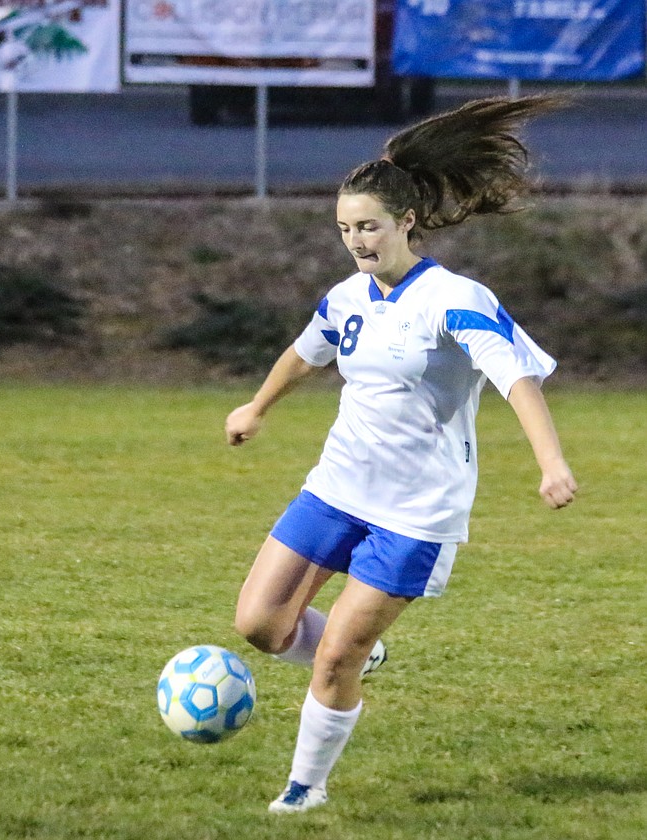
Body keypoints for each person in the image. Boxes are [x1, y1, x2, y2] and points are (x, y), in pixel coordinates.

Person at [224, 95, 578, 814]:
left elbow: (515, 376)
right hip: (336, 487)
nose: (357, 241)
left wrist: (551, 462)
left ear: (406, 221)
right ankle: (361, 654)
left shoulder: (455, 299)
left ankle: (303, 790)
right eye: (346, 229)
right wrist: (257, 406)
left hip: (416, 513)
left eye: (369, 227)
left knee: (333, 658)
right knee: (260, 625)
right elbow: (305, 353)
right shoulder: (348, 296)